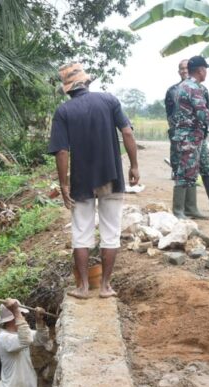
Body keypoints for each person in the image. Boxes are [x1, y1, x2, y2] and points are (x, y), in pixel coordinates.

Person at [49, 63, 140, 299]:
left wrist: (63, 183)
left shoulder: (64, 112)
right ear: (87, 83)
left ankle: (83, 287)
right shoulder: (109, 101)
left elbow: (61, 152)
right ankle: (106, 286)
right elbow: (127, 132)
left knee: (81, 232)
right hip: (109, 177)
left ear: (68, 89)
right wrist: (134, 165)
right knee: (111, 231)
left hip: (81, 181)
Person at [171, 55, 209, 220]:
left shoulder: (184, 86)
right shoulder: (193, 87)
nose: (206, 72)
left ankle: (190, 208)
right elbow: (201, 111)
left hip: (191, 136)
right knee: (185, 171)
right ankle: (178, 210)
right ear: (201, 70)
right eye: (205, 69)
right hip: (189, 137)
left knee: (191, 171)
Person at [165, 59, 189, 182]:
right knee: (176, 154)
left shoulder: (200, 89)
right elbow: (169, 110)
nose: (184, 70)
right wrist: (173, 125)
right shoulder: (172, 90)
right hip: (177, 128)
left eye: (186, 68)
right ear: (178, 71)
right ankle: (176, 173)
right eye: (182, 68)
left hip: (193, 130)